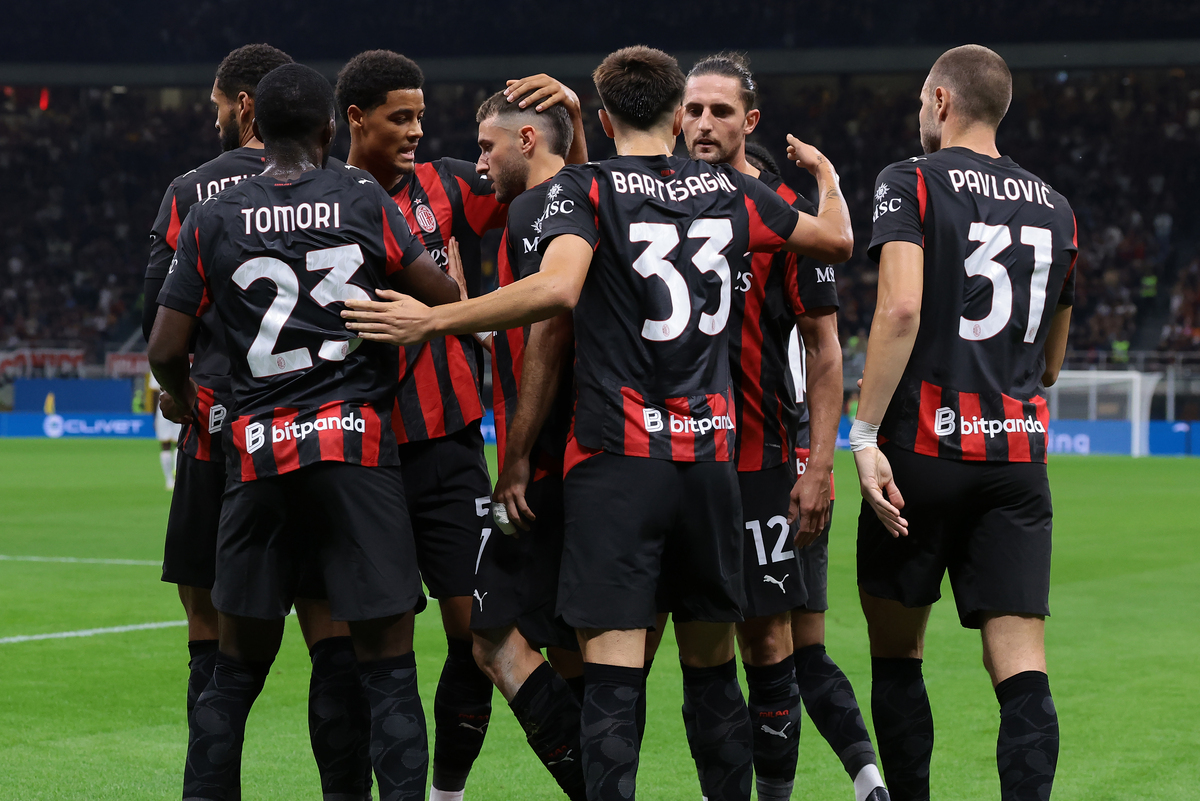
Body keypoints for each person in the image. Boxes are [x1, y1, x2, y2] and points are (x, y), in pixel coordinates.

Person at [342, 44, 852, 801]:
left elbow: (557, 289)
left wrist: (435, 318)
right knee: (714, 676)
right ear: (681, 117)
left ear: (604, 117)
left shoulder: (585, 189)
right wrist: (830, 181)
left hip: (620, 465)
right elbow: (835, 240)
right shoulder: (732, 192)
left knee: (614, 683)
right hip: (713, 469)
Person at [148, 62, 462, 801]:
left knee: (231, 673)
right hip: (356, 450)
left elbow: (164, 349)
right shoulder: (360, 195)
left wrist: (188, 398)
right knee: (385, 666)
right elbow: (440, 298)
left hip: (257, 456)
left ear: (255, 122)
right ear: (330, 129)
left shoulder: (211, 215)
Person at [334, 50, 586, 801]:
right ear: (356, 119)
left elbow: (570, 195)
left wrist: (570, 121)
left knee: (471, 634)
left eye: (420, 115)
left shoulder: (448, 182)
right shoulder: (319, 198)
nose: (418, 130)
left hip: (448, 448)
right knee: (371, 646)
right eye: (401, 117)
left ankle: (446, 792)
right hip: (360, 450)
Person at [852, 45, 1076, 801]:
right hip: (1016, 461)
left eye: (922, 100)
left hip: (920, 450)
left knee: (898, 657)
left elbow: (902, 307)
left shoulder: (908, 181)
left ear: (941, 102)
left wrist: (861, 433)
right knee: (1021, 665)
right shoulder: (1057, 207)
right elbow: (1051, 364)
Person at [682, 53, 888, 801]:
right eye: (693, 110)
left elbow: (826, 350)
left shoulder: (777, 218)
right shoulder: (651, 201)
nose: (704, 123)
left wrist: (818, 464)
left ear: (750, 121)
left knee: (771, 641)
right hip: (668, 460)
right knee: (690, 647)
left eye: (720, 111)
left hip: (762, 460)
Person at [469, 86, 586, 801]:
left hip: (545, 462)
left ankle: (599, 786)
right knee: (578, 651)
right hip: (602, 455)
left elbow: (550, 329)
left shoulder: (530, 209)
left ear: (527, 142)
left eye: (487, 145)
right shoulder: (588, 196)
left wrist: (514, 456)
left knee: (491, 636)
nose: (480, 160)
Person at [147, 371, 181, 490]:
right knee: (179, 444)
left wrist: (153, 415)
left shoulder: (156, 366)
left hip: (162, 407)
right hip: (180, 404)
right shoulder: (185, 364)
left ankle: (169, 480)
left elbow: (154, 393)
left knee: (165, 445)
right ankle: (177, 475)